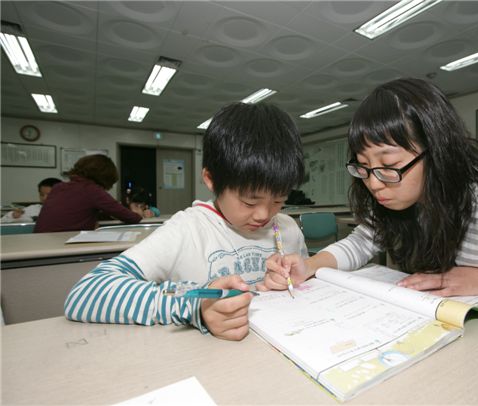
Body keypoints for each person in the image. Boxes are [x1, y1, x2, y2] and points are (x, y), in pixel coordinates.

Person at [264, 78, 478, 305]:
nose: (374, 183)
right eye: (363, 167)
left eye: (389, 165)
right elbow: (361, 242)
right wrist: (309, 265)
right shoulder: (401, 200)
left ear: (437, 153)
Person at [63, 102, 307, 340]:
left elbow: (305, 289)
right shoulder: (187, 230)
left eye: (278, 200)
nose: (264, 215)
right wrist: (195, 306)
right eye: (249, 202)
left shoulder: (286, 227)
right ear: (211, 179)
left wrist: (291, 280)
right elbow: (86, 293)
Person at [34, 155, 145, 232]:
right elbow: (132, 218)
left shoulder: (59, 187)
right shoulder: (91, 190)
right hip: (62, 244)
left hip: (40, 241)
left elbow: (78, 212)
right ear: (106, 176)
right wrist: (138, 213)